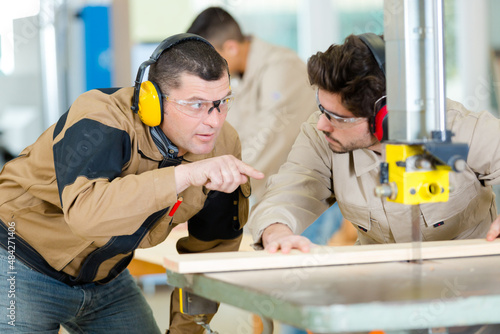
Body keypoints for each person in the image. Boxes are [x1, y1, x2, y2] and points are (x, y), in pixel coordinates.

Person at [0, 33, 263, 334]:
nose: (215, 121)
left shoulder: (221, 144)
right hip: (17, 259)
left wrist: (186, 330)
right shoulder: (100, 117)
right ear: (152, 101)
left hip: (106, 277)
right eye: (196, 105)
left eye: (222, 101)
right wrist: (184, 175)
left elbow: (212, 249)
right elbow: (87, 214)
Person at [248, 33, 500, 255]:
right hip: (381, 286)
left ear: (384, 118)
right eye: (321, 107)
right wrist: (276, 232)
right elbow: (289, 190)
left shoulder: (459, 129)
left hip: (466, 282)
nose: (322, 124)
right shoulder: (322, 134)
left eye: (338, 117)